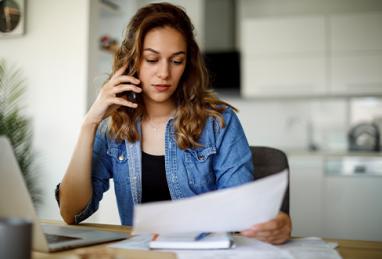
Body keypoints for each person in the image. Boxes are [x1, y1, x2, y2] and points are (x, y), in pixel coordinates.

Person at [56, 2, 291, 245]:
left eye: (176, 61)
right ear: (132, 62)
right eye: (151, 59)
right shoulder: (113, 127)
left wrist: (279, 222)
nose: (164, 73)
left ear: (187, 64)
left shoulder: (218, 122)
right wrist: (90, 122)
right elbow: (71, 213)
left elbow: (243, 213)